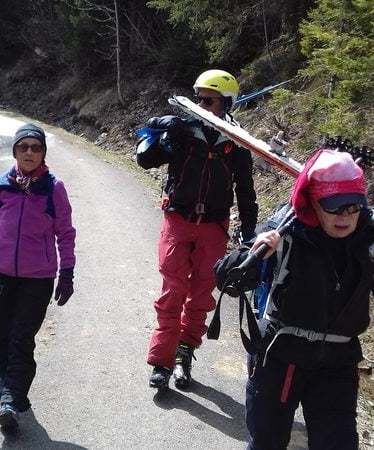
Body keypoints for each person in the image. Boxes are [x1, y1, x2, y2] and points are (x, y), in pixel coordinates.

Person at [214, 149, 374, 449]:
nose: (345, 215)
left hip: (337, 364)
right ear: (314, 202)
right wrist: (253, 256)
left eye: (353, 206)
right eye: (334, 207)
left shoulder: (371, 238)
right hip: (280, 357)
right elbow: (226, 278)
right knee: (267, 443)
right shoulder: (286, 229)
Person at [136, 69, 258, 389]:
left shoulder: (237, 142)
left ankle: (183, 355)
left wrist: (249, 231)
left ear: (226, 103)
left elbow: (246, 190)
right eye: (198, 99)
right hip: (178, 221)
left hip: (214, 227)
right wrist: (165, 131)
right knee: (172, 292)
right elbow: (146, 160)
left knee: (201, 296)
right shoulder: (184, 132)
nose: (201, 105)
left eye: (208, 100)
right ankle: (160, 361)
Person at [0, 123, 76, 429]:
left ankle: (12, 399)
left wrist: (67, 272)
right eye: (23, 147)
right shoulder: (2, 187)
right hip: (1, 273)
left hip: (38, 278)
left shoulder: (53, 188)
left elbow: (65, 233)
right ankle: (5, 378)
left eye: (36, 147)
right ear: (15, 151)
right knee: (2, 334)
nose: (29, 152)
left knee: (22, 337)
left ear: (43, 153)